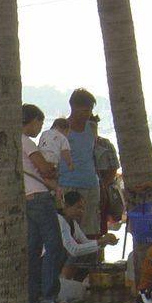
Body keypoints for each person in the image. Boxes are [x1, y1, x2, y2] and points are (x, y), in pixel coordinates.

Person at [23, 103, 66, 303]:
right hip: (40, 196)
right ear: (33, 121)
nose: (39, 128)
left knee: (32, 249)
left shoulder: (12, 143)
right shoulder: (28, 144)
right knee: (54, 246)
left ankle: (32, 294)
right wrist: (52, 170)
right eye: (39, 123)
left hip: (27, 198)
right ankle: (49, 294)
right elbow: (45, 169)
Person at [56, 88, 101, 240]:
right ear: (74, 107)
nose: (88, 114)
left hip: (91, 185)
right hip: (68, 185)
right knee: (68, 230)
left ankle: (89, 261)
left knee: (90, 228)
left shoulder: (92, 127)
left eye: (90, 110)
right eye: (85, 109)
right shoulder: (61, 129)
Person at [57, 190, 115, 281]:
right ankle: (63, 280)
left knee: (91, 252)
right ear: (67, 207)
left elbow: (86, 243)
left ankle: (79, 282)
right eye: (78, 208)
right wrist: (100, 241)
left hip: (62, 257)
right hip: (53, 259)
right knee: (76, 254)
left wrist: (105, 241)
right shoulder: (60, 221)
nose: (81, 212)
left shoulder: (73, 223)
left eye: (82, 209)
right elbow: (74, 249)